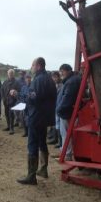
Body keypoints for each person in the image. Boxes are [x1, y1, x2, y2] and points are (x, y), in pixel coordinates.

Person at [17, 57, 57, 185]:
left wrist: (20, 95)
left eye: (33, 65)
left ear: (39, 66)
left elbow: (33, 98)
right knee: (42, 142)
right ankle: (43, 169)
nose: (31, 67)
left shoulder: (38, 80)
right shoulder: (49, 79)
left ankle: (31, 176)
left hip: (36, 117)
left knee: (32, 145)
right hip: (44, 117)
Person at [55, 64, 81, 161]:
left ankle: (67, 154)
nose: (61, 73)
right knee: (65, 134)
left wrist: (59, 109)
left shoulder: (71, 82)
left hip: (66, 112)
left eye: (63, 71)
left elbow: (67, 98)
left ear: (69, 71)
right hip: (68, 111)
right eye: (60, 71)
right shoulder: (72, 80)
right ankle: (64, 151)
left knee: (65, 134)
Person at [1, 69, 20, 135]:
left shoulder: (16, 82)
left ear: (13, 74)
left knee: (11, 114)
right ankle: (8, 126)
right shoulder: (5, 82)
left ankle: (12, 128)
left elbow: (19, 91)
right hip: (6, 101)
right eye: (9, 73)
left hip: (13, 101)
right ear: (7, 74)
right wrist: (3, 98)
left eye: (11, 73)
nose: (10, 74)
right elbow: (2, 90)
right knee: (6, 113)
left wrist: (15, 98)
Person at [18, 72, 32, 137]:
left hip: (30, 106)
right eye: (27, 78)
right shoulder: (23, 87)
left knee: (29, 120)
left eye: (29, 78)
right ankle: (25, 131)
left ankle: (29, 132)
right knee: (22, 118)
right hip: (23, 105)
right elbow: (21, 95)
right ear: (25, 79)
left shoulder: (33, 87)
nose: (28, 79)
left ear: (31, 79)